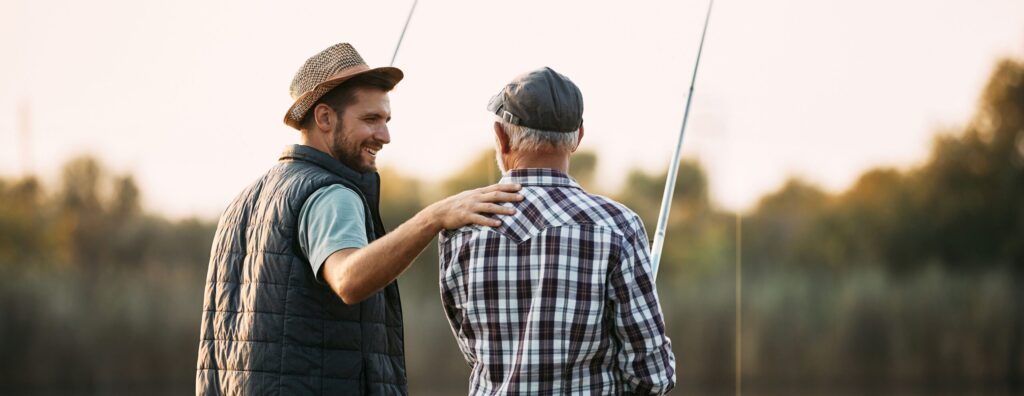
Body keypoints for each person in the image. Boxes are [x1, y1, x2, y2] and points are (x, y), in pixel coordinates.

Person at [196, 42, 523, 395]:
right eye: (370, 120)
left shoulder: (240, 204)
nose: (384, 136)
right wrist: (434, 217)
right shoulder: (333, 195)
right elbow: (348, 279)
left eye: (385, 120)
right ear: (324, 118)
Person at [438, 67, 676, 395]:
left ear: (501, 137)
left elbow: (474, 352)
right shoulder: (619, 228)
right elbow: (651, 377)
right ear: (578, 138)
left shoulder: (460, 230)